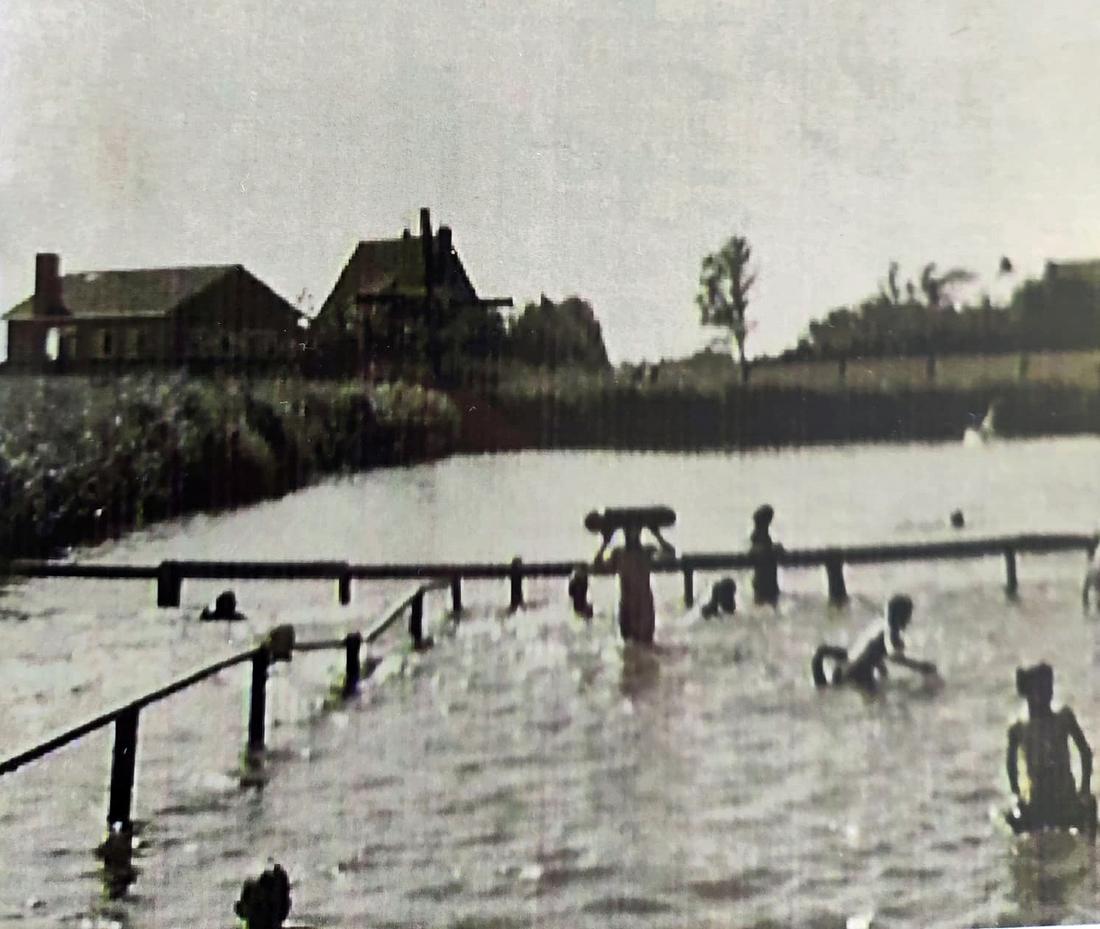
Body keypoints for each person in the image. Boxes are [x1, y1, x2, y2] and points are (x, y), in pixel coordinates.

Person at [1005, 663, 1097, 837]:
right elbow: (1011, 767)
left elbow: (1085, 752)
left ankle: (1091, 856)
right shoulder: (1018, 729)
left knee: (1090, 804)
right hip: (1037, 804)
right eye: (1042, 689)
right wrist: (1016, 795)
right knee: (1012, 818)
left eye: (1049, 687)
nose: (1048, 693)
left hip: (1066, 799)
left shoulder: (1064, 718)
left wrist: (1084, 788)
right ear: (1029, 693)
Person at [811, 594, 937, 690]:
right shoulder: (891, 632)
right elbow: (894, 657)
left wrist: (882, 670)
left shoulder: (879, 626)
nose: (909, 620)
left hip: (844, 670)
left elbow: (869, 652)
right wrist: (921, 666)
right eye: (909, 615)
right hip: (856, 677)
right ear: (903, 616)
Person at [594, 522, 675, 645]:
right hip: (627, 605)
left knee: (646, 644)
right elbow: (599, 567)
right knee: (629, 645)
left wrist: (657, 534)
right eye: (628, 532)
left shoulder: (648, 552)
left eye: (634, 531)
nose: (631, 535)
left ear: (640, 533)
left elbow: (670, 554)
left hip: (644, 606)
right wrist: (605, 543)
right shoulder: (619, 554)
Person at [750, 505, 783, 606]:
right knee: (765, 602)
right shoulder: (757, 535)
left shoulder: (761, 534)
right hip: (764, 579)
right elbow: (759, 550)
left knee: (766, 602)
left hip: (767, 579)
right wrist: (773, 549)